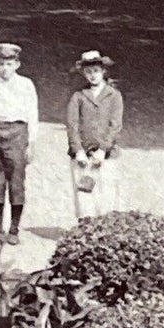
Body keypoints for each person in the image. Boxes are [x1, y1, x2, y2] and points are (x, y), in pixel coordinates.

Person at [0, 41, 38, 244]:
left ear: (17, 64)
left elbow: (33, 114)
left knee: (17, 182)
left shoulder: (26, 85)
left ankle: (14, 229)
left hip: (18, 132)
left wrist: (32, 142)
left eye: (10, 64)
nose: (5, 68)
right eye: (2, 64)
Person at [66, 50, 123, 219]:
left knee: (107, 193)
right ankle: (86, 229)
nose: (93, 75)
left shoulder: (114, 96)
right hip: (83, 154)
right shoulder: (78, 96)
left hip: (106, 154)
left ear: (103, 71)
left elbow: (115, 125)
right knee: (84, 194)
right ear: (83, 73)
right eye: (88, 72)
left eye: (96, 71)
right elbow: (72, 125)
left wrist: (103, 149)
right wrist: (78, 150)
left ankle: (105, 230)